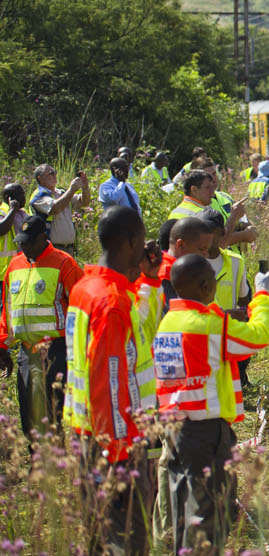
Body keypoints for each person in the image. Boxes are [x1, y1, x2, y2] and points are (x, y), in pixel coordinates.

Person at [155, 253, 269, 555]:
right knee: (210, 511)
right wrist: (262, 296)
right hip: (205, 431)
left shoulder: (169, 321)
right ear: (205, 285)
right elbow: (257, 337)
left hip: (173, 428)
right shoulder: (211, 325)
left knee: (184, 506)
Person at [64, 205, 157, 556]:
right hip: (114, 444)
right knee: (125, 541)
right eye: (142, 239)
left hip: (84, 429)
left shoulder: (87, 287)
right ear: (132, 240)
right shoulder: (112, 303)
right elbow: (109, 382)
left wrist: (145, 277)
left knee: (95, 533)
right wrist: (119, 454)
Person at [0, 215, 84, 440]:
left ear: (42, 238)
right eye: (21, 242)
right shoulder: (15, 265)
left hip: (56, 349)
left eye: (28, 242)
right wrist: (3, 345)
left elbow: (82, 305)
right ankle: (36, 459)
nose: (23, 246)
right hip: (26, 352)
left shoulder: (64, 263)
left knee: (51, 410)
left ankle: (55, 463)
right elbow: (8, 309)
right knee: (28, 410)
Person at [30, 163, 89, 254]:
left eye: (55, 172)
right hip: (51, 249)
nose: (54, 175)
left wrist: (85, 188)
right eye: (51, 173)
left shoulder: (61, 192)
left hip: (68, 248)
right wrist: (71, 190)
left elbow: (84, 203)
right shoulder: (38, 195)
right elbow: (55, 208)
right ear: (40, 178)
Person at [0, 183, 26, 262]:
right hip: (5, 265)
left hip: (21, 261)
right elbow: (1, 230)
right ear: (9, 198)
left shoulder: (22, 212)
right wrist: (12, 210)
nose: (24, 198)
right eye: (20, 194)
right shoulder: (2, 211)